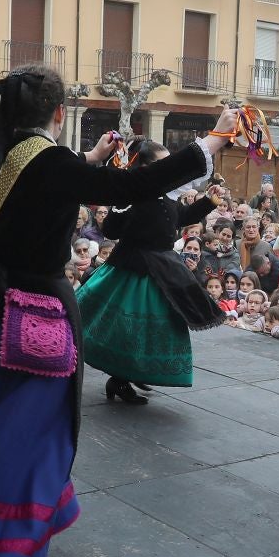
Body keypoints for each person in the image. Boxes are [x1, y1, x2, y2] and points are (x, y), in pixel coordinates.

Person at [0, 68, 236, 557]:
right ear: (59, 112)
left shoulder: (5, 152)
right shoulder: (51, 163)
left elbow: (49, 181)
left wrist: (87, 160)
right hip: (37, 314)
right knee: (28, 434)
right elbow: (132, 184)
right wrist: (213, 140)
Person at [77, 147, 224, 403]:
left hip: (162, 273)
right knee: (130, 330)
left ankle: (136, 370)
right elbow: (111, 229)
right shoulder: (133, 195)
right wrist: (120, 205)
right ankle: (119, 380)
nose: (170, 168)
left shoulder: (167, 195)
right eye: (164, 163)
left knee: (155, 329)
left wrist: (208, 202)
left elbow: (181, 217)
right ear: (147, 167)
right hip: (133, 272)